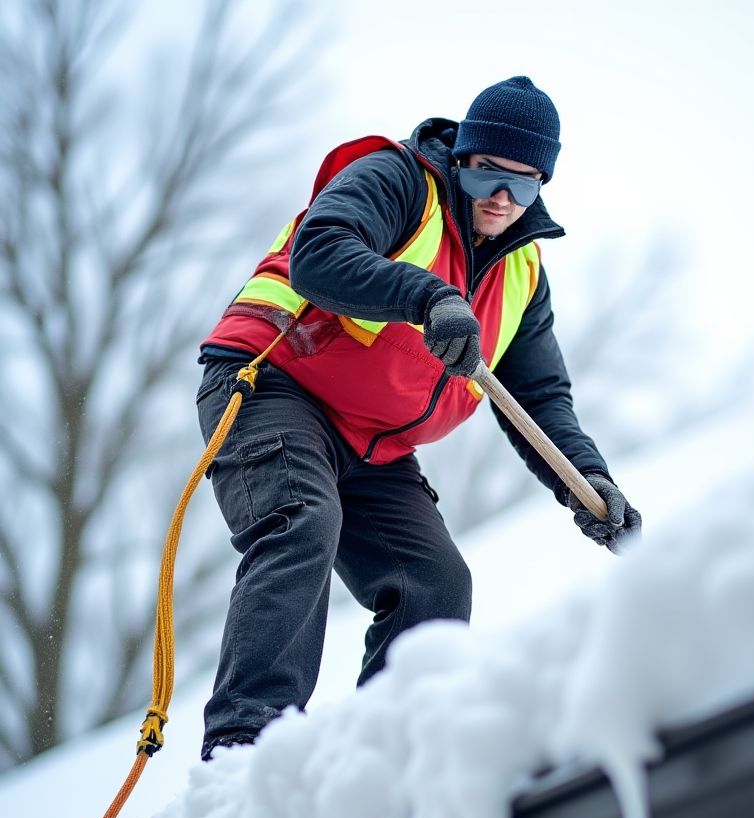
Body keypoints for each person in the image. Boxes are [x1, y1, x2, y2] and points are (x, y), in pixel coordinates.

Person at [194, 76, 641, 760]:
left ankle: (382, 756)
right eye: (489, 171)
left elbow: (542, 397)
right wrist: (428, 296)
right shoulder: (399, 180)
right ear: (461, 156)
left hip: (372, 448)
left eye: (524, 184)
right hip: (274, 385)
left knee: (435, 581)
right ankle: (245, 747)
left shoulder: (522, 271)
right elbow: (321, 252)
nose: (502, 197)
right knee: (301, 523)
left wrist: (588, 481)